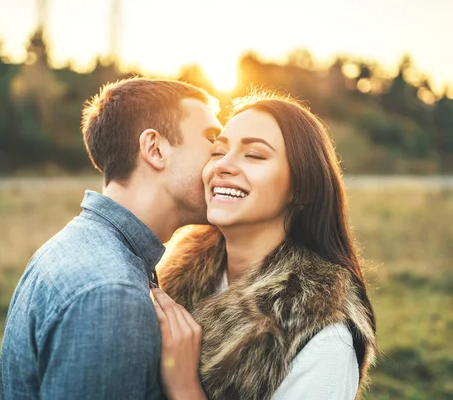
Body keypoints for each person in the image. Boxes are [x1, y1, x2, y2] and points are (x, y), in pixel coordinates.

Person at [0, 77, 222, 399]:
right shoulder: (110, 295)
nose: (222, 160)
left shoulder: (80, 247)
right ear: (155, 149)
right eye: (212, 141)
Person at [154, 92, 378, 400]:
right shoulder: (170, 278)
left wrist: (184, 387)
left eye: (255, 155)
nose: (223, 166)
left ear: (301, 187)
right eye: (218, 152)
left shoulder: (323, 336)